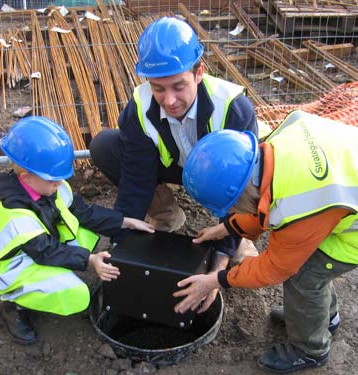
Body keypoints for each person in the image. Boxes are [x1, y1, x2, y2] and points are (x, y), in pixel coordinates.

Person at [174, 110, 358, 373]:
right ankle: (322, 318)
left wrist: (216, 280)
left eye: (231, 209)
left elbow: (276, 268)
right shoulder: (272, 151)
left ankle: (310, 348)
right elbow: (260, 205)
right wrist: (226, 228)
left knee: (305, 274)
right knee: (311, 265)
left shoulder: (302, 204)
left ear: (240, 194)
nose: (232, 213)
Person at [89, 16, 269, 311]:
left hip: (220, 173)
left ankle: (238, 239)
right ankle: (167, 217)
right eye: (158, 88)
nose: (169, 100)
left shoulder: (233, 108)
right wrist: (119, 250)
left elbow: (240, 186)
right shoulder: (139, 108)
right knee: (105, 145)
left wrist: (217, 269)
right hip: (172, 165)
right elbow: (135, 181)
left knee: (235, 237)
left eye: (178, 86)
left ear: (199, 72)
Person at [0, 116, 154, 345]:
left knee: (80, 231)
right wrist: (90, 260)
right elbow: (46, 251)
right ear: (27, 177)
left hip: (37, 248)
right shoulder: (14, 214)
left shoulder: (48, 186)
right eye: (54, 181)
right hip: (10, 266)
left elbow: (84, 213)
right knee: (77, 294)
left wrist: (125, 221)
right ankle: (13, 303)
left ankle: (48, 281)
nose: (60, 185)